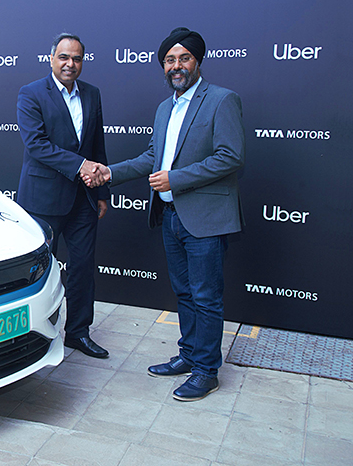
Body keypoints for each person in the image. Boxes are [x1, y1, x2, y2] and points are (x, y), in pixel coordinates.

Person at [86, 27, 244, 400]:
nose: (176, 66)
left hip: (206, 218)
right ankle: (189, 355)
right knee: (185, 293)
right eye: (170, 60)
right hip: (171, 216)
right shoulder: (164, 108)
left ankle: (206, 371)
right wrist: (110, 173)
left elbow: (231, 156)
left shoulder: (221, 100)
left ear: (197, 61)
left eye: (184, 58)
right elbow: (152, 157)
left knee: (206, 296)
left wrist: (176, 178)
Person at [16, 33, 110, 359]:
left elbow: (97, 146)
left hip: (84, 198)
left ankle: (79, 333)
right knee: (40, 271)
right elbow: (37, 145)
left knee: (83, 268)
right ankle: (34, 335)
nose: (70, 64)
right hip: (43, 199)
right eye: (64, 57)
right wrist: (81, 165)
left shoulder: (92, 94)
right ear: (51, 58)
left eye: (77, 58)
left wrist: (102, 191)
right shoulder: (31, 93)